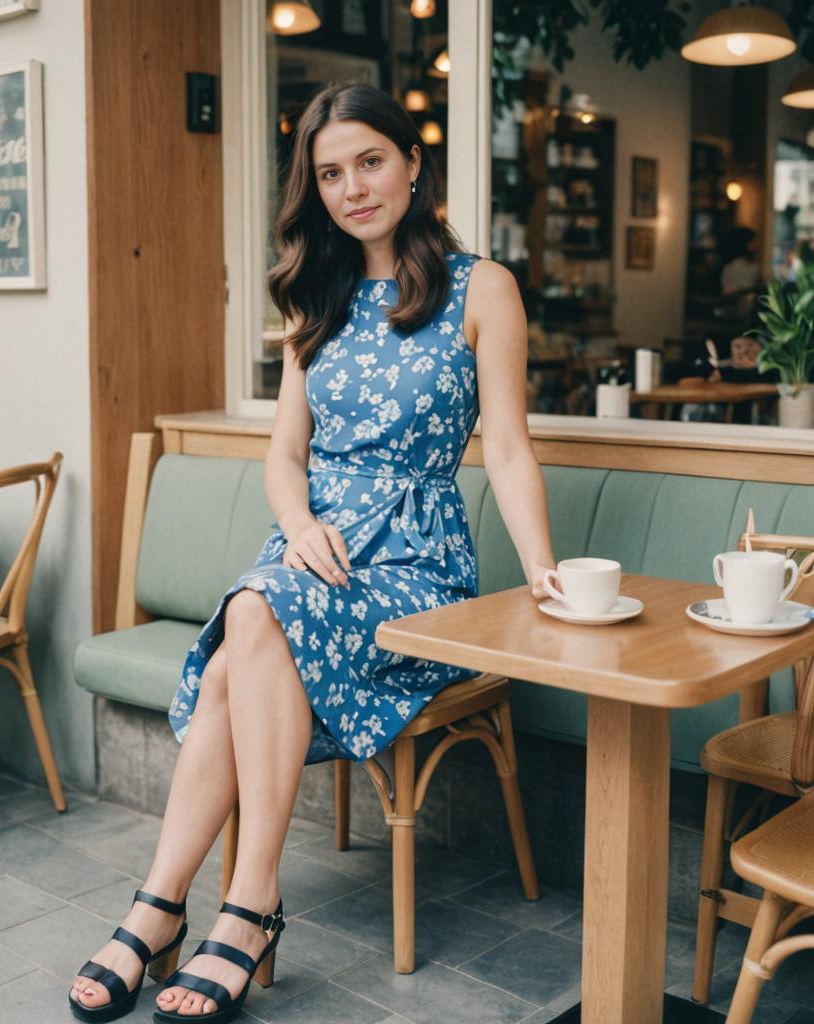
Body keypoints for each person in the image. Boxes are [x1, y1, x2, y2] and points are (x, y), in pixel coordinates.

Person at [68, 81, 558, 1023]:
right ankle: (186, 908)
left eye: (370, 161)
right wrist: (296, 525)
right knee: (254, 620)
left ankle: (221, 908)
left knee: (253, 618)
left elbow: (506, 448)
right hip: (316, 550)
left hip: (417, 564)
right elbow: (285, 457)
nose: (352, 188)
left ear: (414, 165)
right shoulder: (315, 297)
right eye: (330, 173)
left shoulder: (481, 287)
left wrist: (541, 570)